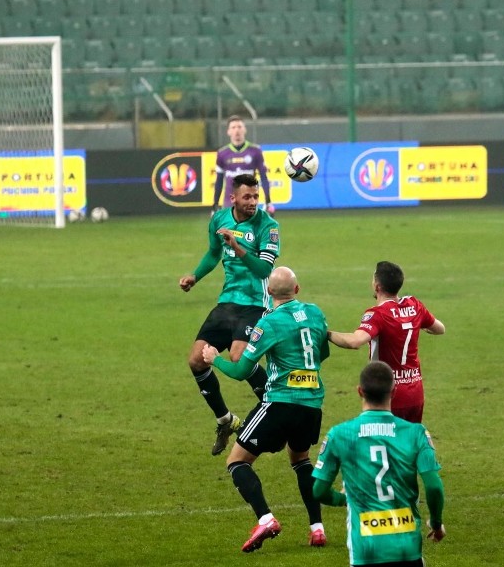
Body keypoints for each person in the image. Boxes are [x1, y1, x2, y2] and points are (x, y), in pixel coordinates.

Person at [202, 266, 331, 553]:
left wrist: (214, 359)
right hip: (312, 405)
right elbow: (323, 352)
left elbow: (240, 371)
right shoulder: (315, 313)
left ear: (269, 292)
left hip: (280, 404)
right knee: (300, 461)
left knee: (237, 462)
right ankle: (317, 528)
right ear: (297, 289)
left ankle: (266, 519)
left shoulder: (268, 323)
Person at [179, 173, 280, 456]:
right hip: (227, 303)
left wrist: (238, 247)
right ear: (233, 198)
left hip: (254, 304)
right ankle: (225, 420)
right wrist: (195, 276)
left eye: (256, 197)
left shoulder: (268, 226)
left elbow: (264, 271)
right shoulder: (219, 220)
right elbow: (213, 253)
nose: (253, 202)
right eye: (247, 197)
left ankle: (273, 407)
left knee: (238, 359)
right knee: (196, 360)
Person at [312, 360, 446, 567]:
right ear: (394, 391)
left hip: (366, 549)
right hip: (407, 549)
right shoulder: (415, 433)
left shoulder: (340, 434)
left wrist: (344, 499)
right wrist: (436, 523)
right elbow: (434, 486)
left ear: (360, 391)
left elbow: (319, 491)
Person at [327, 261, 445, 423]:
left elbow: (355, 341)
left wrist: (326, 334)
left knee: (384, 444)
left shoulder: (378, 314)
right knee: (408, 444)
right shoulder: (415, 305)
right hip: (415, 392)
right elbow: (440, 328)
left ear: (377, 286)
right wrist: (417, 323)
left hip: (387, 394)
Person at [212, 115, 275, 216]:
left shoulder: (255, 151)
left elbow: (264, 177)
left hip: (249, 204)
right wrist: (215, 205)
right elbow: (219, 181)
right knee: (228, 232)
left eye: (239, 127)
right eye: (233, 127)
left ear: (244, 130)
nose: (237, 130)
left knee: (249, 232)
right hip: (229, 204)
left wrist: (268, 201)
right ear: (228, 131)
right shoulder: (222, 153)